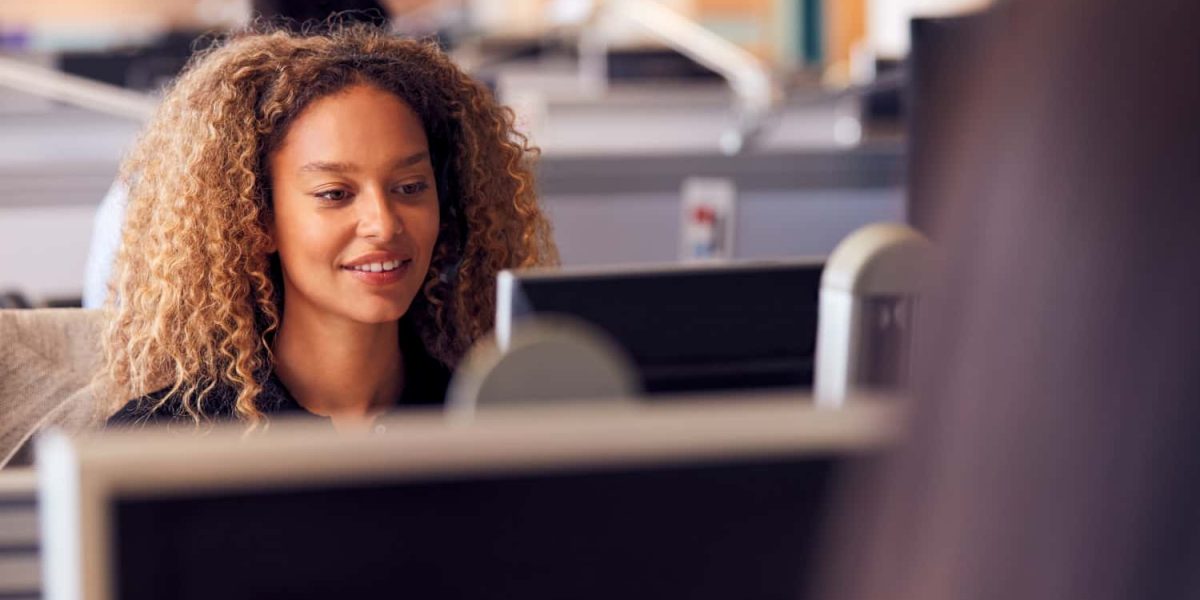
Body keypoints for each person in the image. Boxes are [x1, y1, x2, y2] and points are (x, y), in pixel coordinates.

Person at [104, 24, 556, 430]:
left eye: (411, 186)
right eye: (335, 194)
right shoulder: (164, 439)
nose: (383, 224)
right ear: (258, 220)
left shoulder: (494, 422)